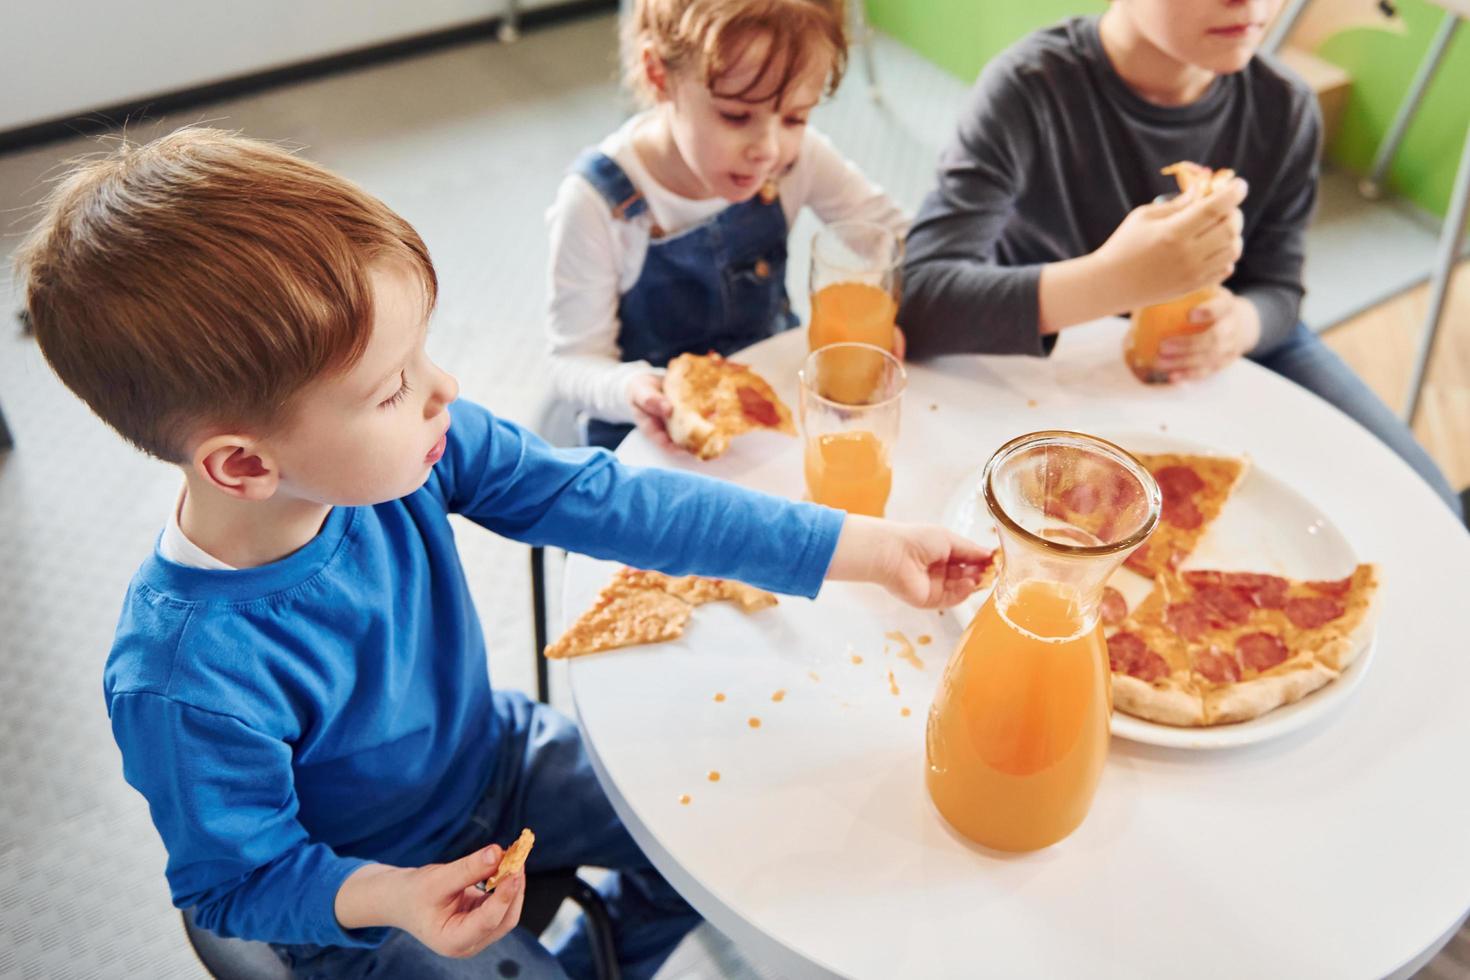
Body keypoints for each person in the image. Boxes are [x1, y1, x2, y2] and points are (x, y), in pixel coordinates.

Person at [15, 128, 989, 979]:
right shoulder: (186, 678)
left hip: (496, 760)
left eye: (424, 353)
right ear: (243, 462)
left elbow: (615, 502)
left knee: (716, 852)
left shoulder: (415, 451)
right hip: (364, 902)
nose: (445, 388)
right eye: (394, 386)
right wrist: (393, 896)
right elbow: (238, 883)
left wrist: (865, 546)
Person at [898, 0, 1462, 517]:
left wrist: (1241, 324)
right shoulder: (1030, 89)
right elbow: (919, 299)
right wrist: (1111, 282)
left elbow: (1279, 291)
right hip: (1054, 353)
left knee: (1430, 505)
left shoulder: (1284, 107)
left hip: (1223, 353)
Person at [546, 0, 907, 450]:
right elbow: (573, 363)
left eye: (795, 117)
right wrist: (634, 389)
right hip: (648, 433)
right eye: (736, 115)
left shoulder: (798, 159)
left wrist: (885, 312)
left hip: (768, 398)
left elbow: (900, 238)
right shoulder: (599, 203)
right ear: (660, 75)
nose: (768, 149)